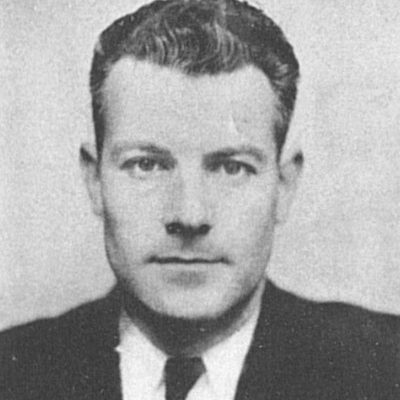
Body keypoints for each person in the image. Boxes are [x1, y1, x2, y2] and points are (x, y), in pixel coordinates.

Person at [1, 0, 399, 399]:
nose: (190, 215)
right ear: (94, 179)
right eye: (147, 165)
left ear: (284, 185)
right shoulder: (13, 373)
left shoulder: (383, 369)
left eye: (231, 168)